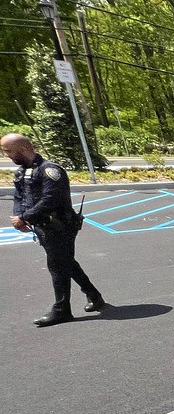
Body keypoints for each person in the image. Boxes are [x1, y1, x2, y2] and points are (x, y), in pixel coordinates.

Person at [3, 133, 105, 326]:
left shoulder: (49, 170)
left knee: (57, 266)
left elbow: (51, 199)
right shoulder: (22, 171)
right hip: (42, 226)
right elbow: (19, 197)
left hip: (60, 226)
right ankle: (94, 295)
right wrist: (19, 217)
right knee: (66, 262)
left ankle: (62, 310)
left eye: (9, 151)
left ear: (23, 148)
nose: (6, 155)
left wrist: (25, 217)